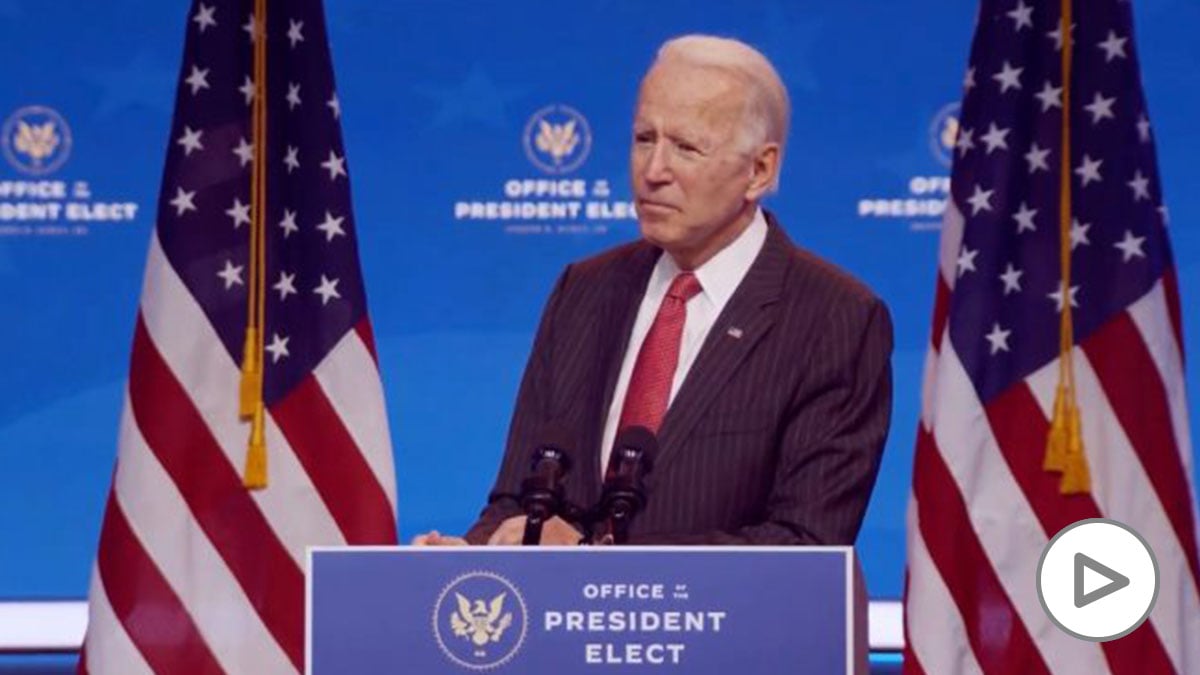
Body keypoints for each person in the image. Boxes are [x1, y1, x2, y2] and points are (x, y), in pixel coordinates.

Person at [415, 34, 892, 547]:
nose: (653, 171)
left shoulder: (836, 318)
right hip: (565, 626)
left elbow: (806, 542)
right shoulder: (585, 290)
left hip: (726, 627)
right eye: (645, 139)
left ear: (759, 170)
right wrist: (475, 554)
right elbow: (518, 499)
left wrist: (592, 562)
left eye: (686, 147)